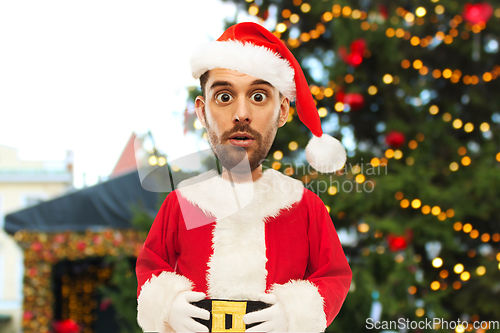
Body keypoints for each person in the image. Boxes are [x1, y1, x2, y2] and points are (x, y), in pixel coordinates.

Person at [135, 22, 352, 332]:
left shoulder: (305, 206)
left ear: (283, 110)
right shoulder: (182, 203)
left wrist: (295, 314)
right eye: (224, 97)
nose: (241, 114)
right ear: (202, 112)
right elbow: (151, 268)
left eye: (259, 96)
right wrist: (167, 306)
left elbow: (334, 277)